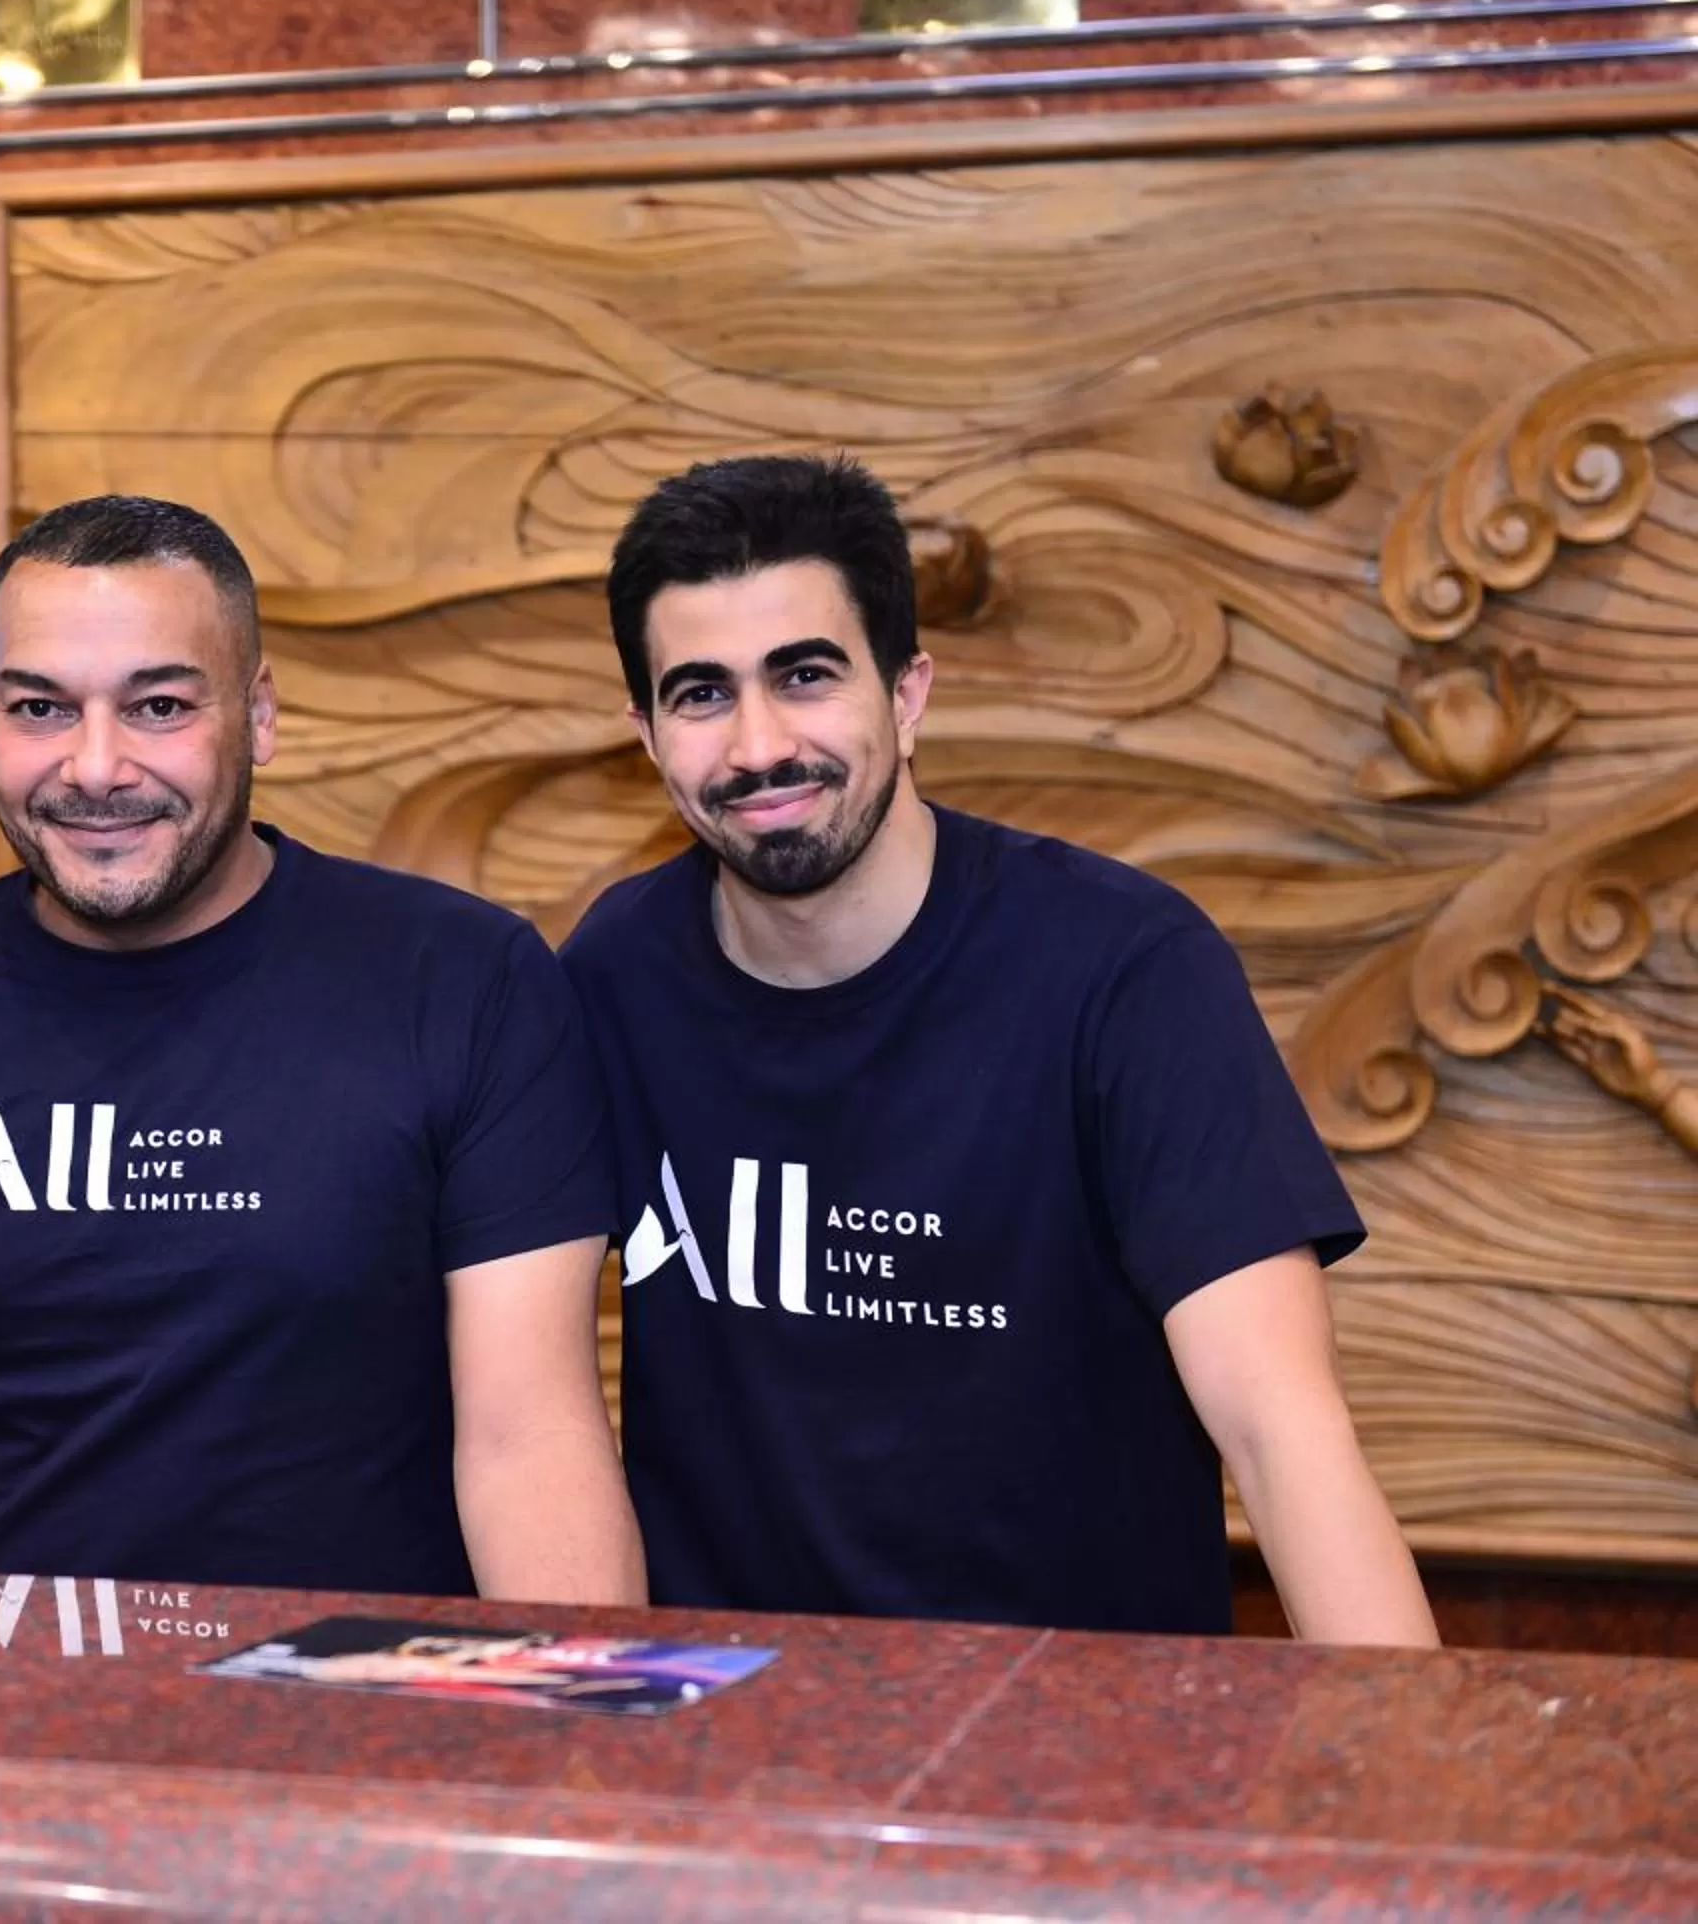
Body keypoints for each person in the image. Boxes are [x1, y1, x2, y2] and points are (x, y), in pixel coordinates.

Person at [0, 495, 643, 1601]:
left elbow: (527, 1444)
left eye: (158, 705)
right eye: (42, 706)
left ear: (260, 715)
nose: (96, 768)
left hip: (350, 1725)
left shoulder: (466, 982)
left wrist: (580, 1747)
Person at [564, 453, 1437, 1644]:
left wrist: (1411, 1773)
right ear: (647, 733)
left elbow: (1278, 1426)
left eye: (806, 676)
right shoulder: (615, 970)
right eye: (702, 693)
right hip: (730, 1731)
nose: (759, 745)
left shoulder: (1127, 968)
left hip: (1084, 1735)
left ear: (909, 693)